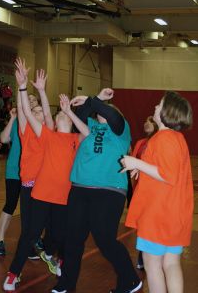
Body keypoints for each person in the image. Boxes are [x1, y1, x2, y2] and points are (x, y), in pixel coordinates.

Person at [3, 60, 88, 292]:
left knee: (57, 234)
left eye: (43, 110)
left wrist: (47, 95)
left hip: (59, 196)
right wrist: (22, 87)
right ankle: (14, 272)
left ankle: (53, 255)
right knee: (30, 233)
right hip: (34, 189)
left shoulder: (66, 137)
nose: (42, 112)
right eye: (38, 110)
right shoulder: (37, 132)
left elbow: (84, 131)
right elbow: (26, 114)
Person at [51, 89, 142, 293]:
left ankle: (130, 280)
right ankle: (66, 284)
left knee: (105, 239)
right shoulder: (91, 127)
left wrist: (97, 100)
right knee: (72, 239)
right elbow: (80, 119)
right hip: (80, 188)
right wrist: (70, 110)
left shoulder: (121, 129)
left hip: (109, 190)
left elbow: (111, 115)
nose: (104, 111)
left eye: (108, 109)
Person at [121, 91, 193, 293]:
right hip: (173, 214)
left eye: (160, 105)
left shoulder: (163, 138)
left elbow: (167, 174)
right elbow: (165, 169)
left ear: (168, 112)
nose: (155, 107)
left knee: (153, 265)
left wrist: (135, 162)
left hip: (158, 215)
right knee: (171, 263)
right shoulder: (176, 138)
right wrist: (142, 165)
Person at [131, 116, 158, 270]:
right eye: (145, 120)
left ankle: (156, 256)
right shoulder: (140, 143)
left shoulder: (161, 142)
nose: (146, 123)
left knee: (153, 225)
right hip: (140, 190)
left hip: (155, 192)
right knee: (142, 225)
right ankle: (142, 256)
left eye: (150, 121)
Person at [0, 107, 22, 256]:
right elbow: (4, 139)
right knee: (10, 203)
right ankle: (0, 240)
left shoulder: (39, 122)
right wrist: (12, 118)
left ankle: (30, 241)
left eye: (33, 100)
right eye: (28, 99)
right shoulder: (16, 121)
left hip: (33, 171)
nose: (29, 102)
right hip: (14, 170)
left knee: (31, 208)